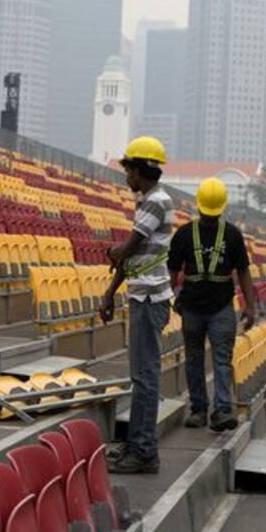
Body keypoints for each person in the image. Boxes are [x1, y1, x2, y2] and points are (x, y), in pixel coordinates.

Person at [100, 136, 174, 475]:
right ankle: (136, 444)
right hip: (142, 294)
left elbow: (130, 248)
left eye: (127, 168)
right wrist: (110, 291)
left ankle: (144, 451)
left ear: (139, 169)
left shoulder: (156, 202)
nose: (125, 176)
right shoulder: (148, 200)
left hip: (149, 298)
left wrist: (113, 252)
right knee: (140, 376)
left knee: (145, 378)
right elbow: (132, 258)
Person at [167, 177, 257, 432]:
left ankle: (222, 411)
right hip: (193, 309)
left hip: (221, 309)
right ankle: (199, 410)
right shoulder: (184, 235)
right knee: (195, 360)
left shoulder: (232, 235)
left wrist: (250, 306)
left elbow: (243, 271)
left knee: (220, 359)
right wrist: (167, 301)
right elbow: (172, 272)